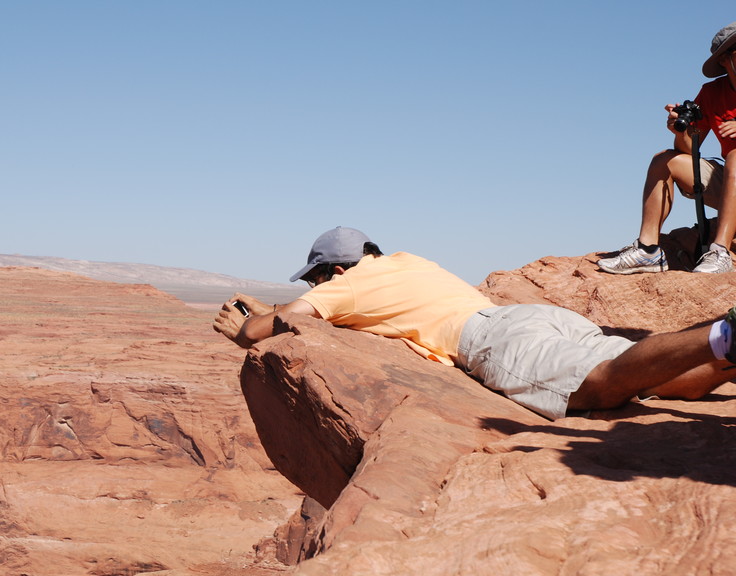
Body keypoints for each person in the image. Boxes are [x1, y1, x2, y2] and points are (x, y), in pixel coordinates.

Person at [213, 226, 736, 420]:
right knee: (668, 386)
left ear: (337, 269)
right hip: (532, 317)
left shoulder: (345, 285)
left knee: (600, 384)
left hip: (492, 339)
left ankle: (727, 331)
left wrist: (243, 326)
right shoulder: (409, 260)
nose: (316, 288)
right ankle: (727, 353)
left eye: (317, 278)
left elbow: (263, 332)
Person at [599, 21, 736, 275]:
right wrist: (680, 130)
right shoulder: (712, 93)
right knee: (664, 160)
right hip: (731, 182)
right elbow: (687, 151)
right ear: (725, 61)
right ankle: (649, 250)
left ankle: (720, 252)